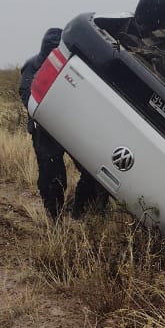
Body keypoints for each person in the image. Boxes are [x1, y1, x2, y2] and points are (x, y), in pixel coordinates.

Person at [19, 28, 109, 220]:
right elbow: (29, 99)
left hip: (72, 127)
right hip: (45, 130)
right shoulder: (32, 67)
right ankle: (55, 218)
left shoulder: (73, 65)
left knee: (92, 171)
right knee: (52, 178)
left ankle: (83, 211)